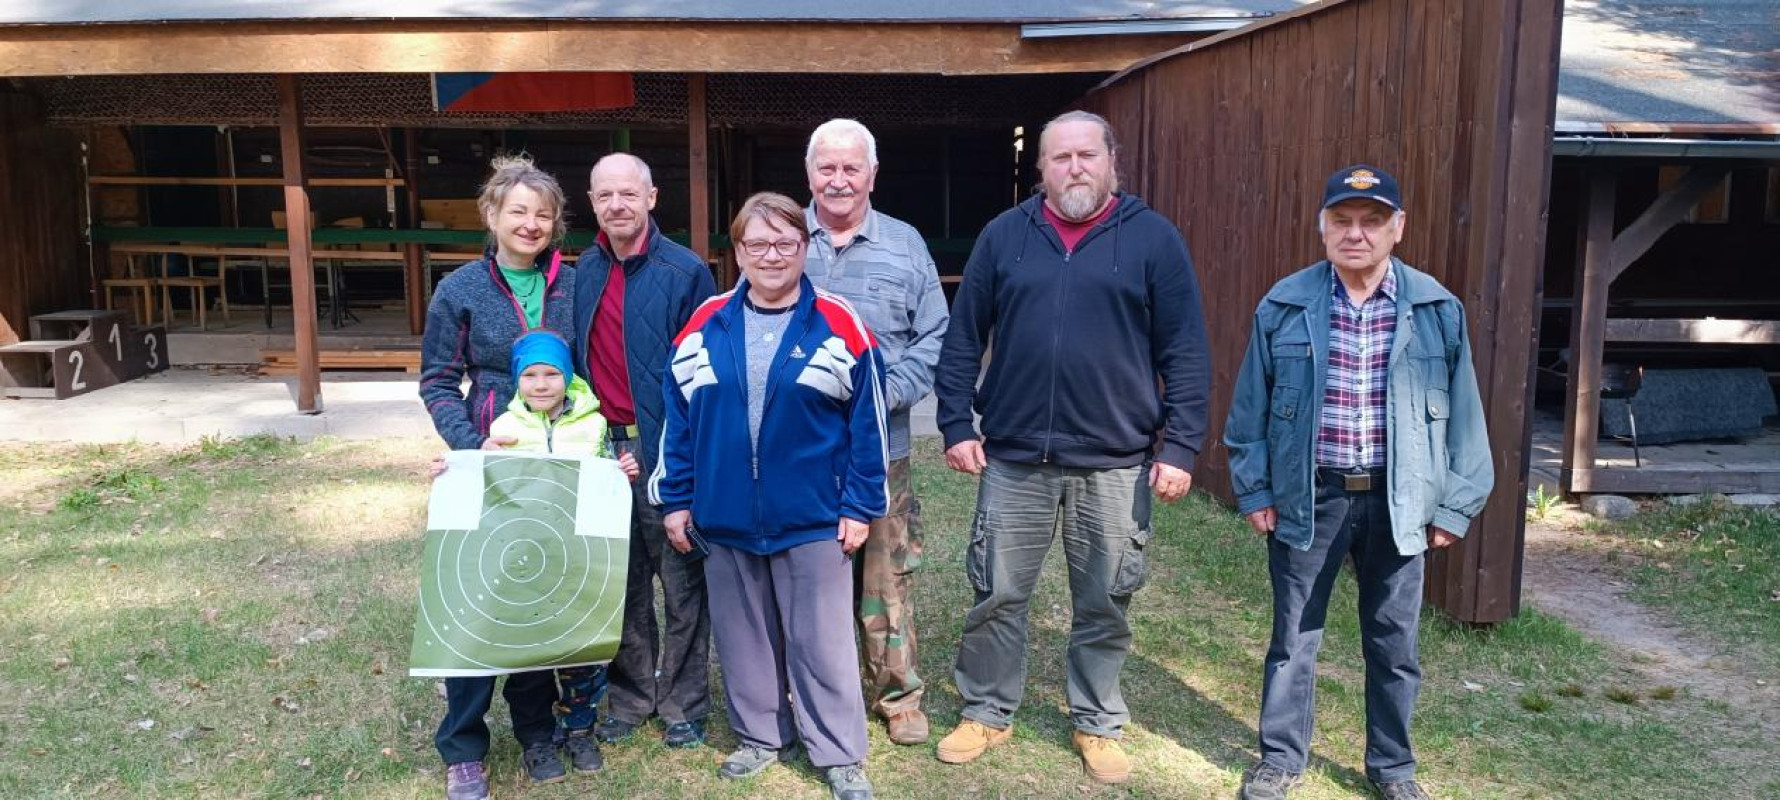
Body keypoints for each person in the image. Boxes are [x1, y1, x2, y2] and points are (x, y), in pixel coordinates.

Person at [931, 110, 1211, 785]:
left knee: (1106, 600)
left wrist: (1180, 446)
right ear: (1042, 168)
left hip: (1114, 460)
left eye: (1087, 155)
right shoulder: (1005, 236)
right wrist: (956, 424)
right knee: (997, 592)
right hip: (1015, 457)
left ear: (1112, 161)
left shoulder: (1153, 239)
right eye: (1061, 157)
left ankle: (1097, 721)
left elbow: (1185, 349)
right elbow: (963, 337)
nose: (1075, 167)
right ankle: (986, 710)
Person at [1224, 165, 1493, 800]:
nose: (1356, 234)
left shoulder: (1436, 308)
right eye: (1342, 221)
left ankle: (1393, 769)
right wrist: (1256, 489)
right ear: (1322, 228)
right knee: (1293, 638)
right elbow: (1249, 410)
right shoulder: (1284, 304)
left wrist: (1455, 505)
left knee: (1394, 644)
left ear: (1398, 228)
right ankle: (1280, 759)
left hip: (1400, 501)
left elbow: (1467, 419)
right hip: (1310, 496)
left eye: (1372, 222)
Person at [650, 191, 887, 800]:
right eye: (758, 243)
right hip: (725, 515)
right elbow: (679, 420)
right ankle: (760, 736)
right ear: (737, 252)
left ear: (805, 247)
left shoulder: (839, 323)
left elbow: (869, 426)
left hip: (812, 517)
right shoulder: (706, 324)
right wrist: (677, 499)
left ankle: (839, 753)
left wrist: (859, 505)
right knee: (744, 636)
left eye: (785, 242)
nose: (772, 255)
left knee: (822, 641)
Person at [418, 155, 581, 799]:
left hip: (558, 462)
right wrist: (469, 448)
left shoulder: (573, 285)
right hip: (489, 460)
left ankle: (537, 729)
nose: (530, 224)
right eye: (518, 211)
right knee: (477, 601)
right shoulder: (460, 288)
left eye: (543, 214)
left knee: (538, 594)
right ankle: (463, 746)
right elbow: (437, 381)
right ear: (491, 215)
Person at [801, 118, 949, 745]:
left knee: (887, 575)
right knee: (809, 575)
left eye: (850, 168)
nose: (838, 180)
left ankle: (898, 695)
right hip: (802, 454)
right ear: (810, 173)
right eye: (826, 168)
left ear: (872, 175)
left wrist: (879, 397)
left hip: (882, 448)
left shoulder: (905, 245)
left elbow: (934, 334)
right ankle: (810, 689)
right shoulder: (784, 238)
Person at [571, 152, 718, 749]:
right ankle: (631, 697)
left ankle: (683, 703)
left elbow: (704, 375)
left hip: (665, 447)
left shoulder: (686, 272)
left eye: (628, 194)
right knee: (622, 583)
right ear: (592, 202)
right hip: (602, 450)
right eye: (605, 195)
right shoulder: (582, 270)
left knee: (682, 583)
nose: (617, 206)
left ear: (652, 198)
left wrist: (688, 462)